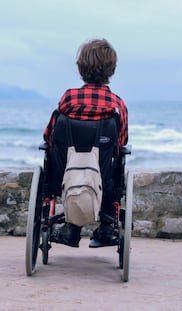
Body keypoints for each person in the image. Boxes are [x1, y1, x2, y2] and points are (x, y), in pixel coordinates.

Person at [43, 38, 128, 247]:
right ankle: (107, 228)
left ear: (80, 69)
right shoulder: (116, 105)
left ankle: (71, 229)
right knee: (111, 166)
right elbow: (122, 142)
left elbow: (50, 135)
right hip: (102, 179)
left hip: (65, 175)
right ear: (112, 70)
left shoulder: (68, 99)